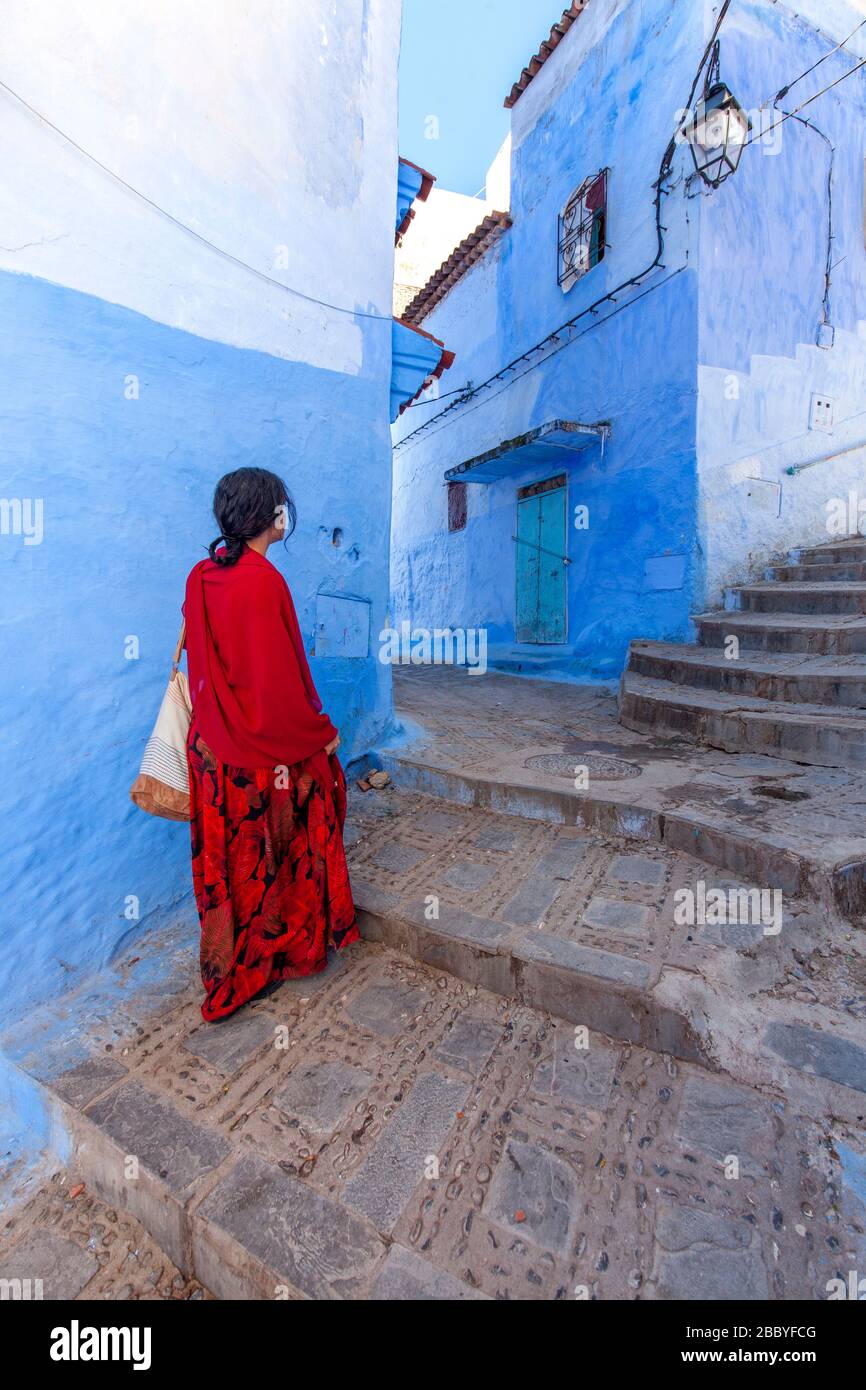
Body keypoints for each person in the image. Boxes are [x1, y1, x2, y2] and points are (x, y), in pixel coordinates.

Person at [183, 466, 357, 1021]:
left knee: (234, 864)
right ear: (266, 516)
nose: (286, 513)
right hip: (259, 756)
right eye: (281, 505)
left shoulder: (199, 576)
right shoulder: (264, 581)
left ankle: (237, 963)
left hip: (213, 751)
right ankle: (283, 954)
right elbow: (278, 686)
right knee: (288, 844)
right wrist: (320, 734)